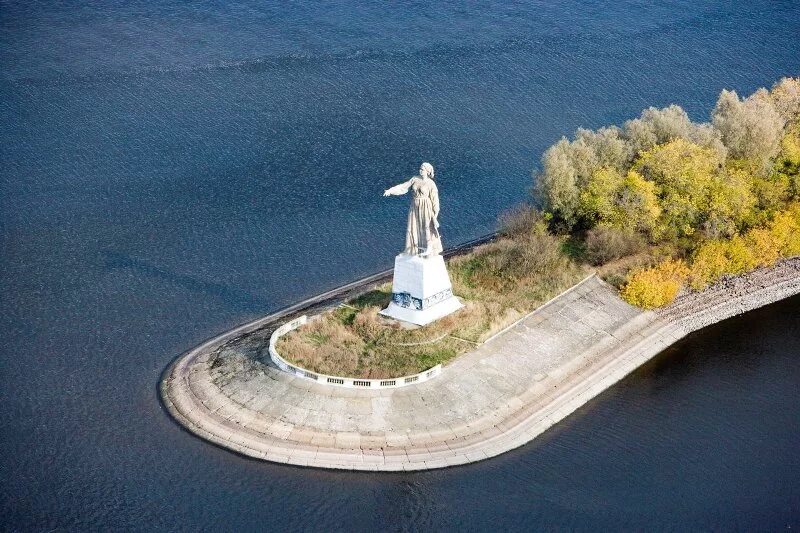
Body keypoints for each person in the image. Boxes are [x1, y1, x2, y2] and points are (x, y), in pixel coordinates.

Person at [383, 162, 442, 256]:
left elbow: (435, 201)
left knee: (427, 227)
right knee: (412, 226)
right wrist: (391, 190)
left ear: (427, 171)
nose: (420, 170)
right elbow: (403, 187)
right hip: (414, 206)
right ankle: (411, 249)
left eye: (422, 169)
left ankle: (429, 248)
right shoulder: (415, 179)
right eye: (420, 169)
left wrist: (435, 216)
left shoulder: (431, 184)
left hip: (426, 206)